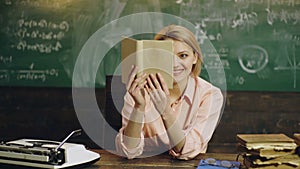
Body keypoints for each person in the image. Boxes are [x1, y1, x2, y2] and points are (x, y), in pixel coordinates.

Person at [115, 25, 224, 160]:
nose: (174, 64)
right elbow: (128, 151)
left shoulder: (210, 95)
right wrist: (139, 106)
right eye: (166, 57)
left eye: (183, 56)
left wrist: (165, 110)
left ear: (195, 58)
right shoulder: (138, 91)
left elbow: (187, 151)